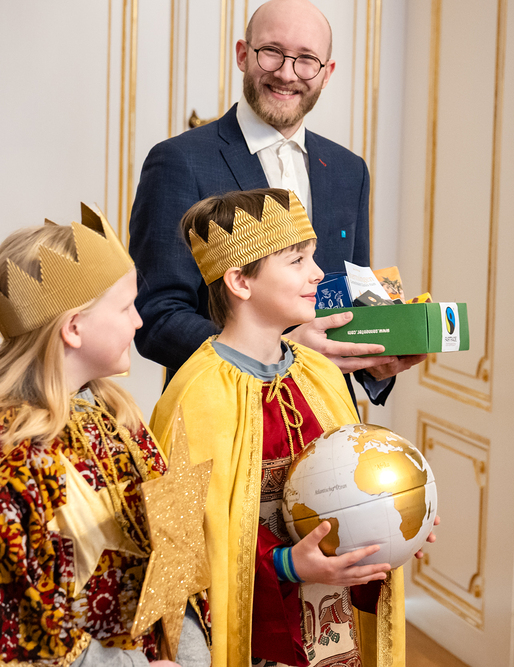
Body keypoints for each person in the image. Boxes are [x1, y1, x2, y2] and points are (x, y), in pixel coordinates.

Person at [150, 189, 432, 667]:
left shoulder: (318, 371)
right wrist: (285, 564)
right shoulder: (197, 394)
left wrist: (398, 518)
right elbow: (186, 542)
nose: (318, 273)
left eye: (313, 256)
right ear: (240, 281)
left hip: (331, 623)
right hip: (258, 631)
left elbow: (349, 480)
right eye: (297, 260)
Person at [128, 0, 423, 397]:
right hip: (222, 414)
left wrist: (376, 363)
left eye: (307, 60)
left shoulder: (349, 170)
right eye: (271, 52)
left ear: (327, 73)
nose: (286, 73)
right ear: (242, 54)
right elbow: (157, 317)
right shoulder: (179, 161)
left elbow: (350, 308)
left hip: (329, 414)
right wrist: (279, 354)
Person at [0, 207, 210, 666]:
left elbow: (176, 560)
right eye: (125, 308)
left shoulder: (121, 421)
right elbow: (26, 624)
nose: (139, 322)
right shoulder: (15, 456)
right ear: (74, 328)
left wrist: (190, 656)